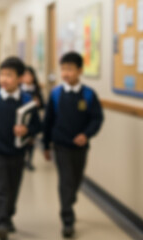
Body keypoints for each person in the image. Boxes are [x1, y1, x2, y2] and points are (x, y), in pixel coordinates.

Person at [0, 57, 41, 240]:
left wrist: (27, 129)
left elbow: (38, 125)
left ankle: (8, 215)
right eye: (2, 74)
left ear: (20, 78)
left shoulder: (27, 100)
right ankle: (1, 222)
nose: (4, 79)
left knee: (13, 188)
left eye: (9, 75)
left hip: (18, 152)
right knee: (1, 188)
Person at [43, 52, 104, 238]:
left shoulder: (88, 94)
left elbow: (97, 118)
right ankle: (67, 219)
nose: (66, 73)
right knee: (66, 181)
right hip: (61, 145)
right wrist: (46, 145)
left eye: (70, 69)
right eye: (63, 69)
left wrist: (86, 135)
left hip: (80, 147)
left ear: (79, 70)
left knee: (76, 181)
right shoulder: (55, 94)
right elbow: (48, 121)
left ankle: (70, 201)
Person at [20, 66, 45, 171]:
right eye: (25, 75)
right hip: (21, 119)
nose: (27, 77)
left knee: (31, 140)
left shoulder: (36, 89)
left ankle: (29, 161)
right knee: (22, 141)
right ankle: (21, 160)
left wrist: (38, 103)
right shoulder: (19, 89)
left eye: (29, 75)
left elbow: (43, 105)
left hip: (32, 118)